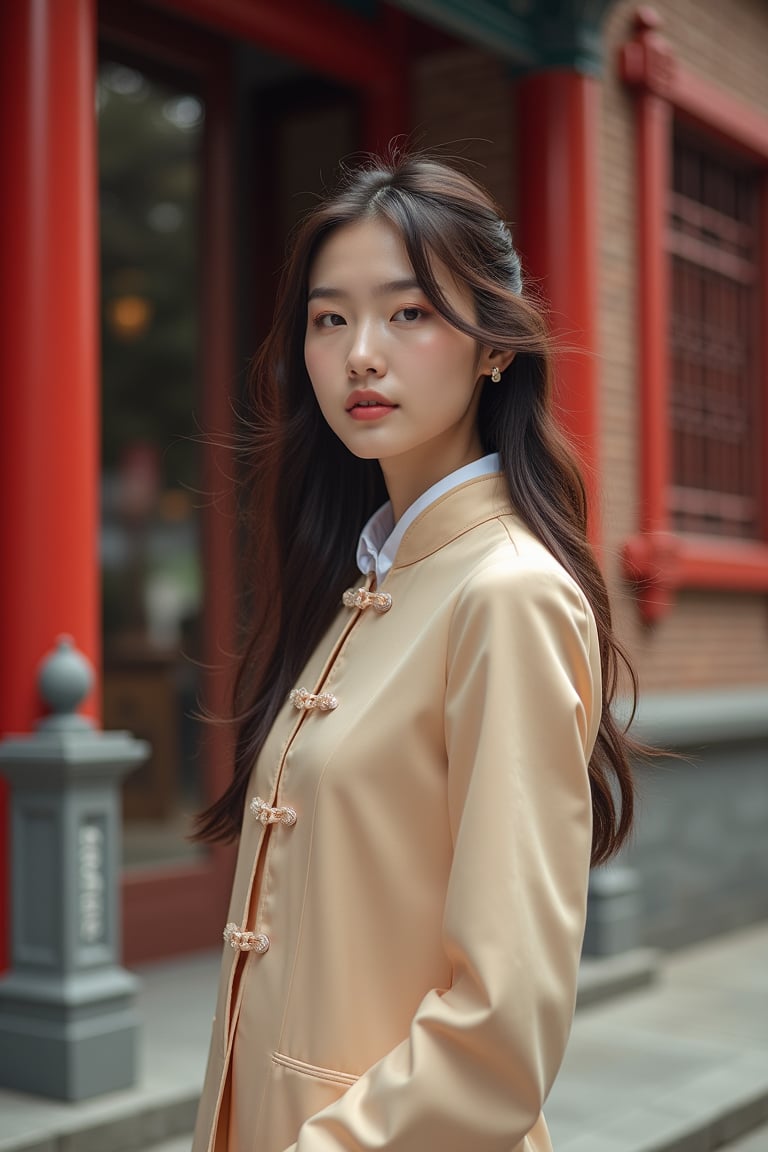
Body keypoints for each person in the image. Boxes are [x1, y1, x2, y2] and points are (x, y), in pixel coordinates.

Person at [192, 152, 636, 1152]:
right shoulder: (366, 587)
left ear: (493, 348)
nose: (359, 353)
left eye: (408, 312)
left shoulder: (506, 597)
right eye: (329, 317)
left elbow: (501, 1027)